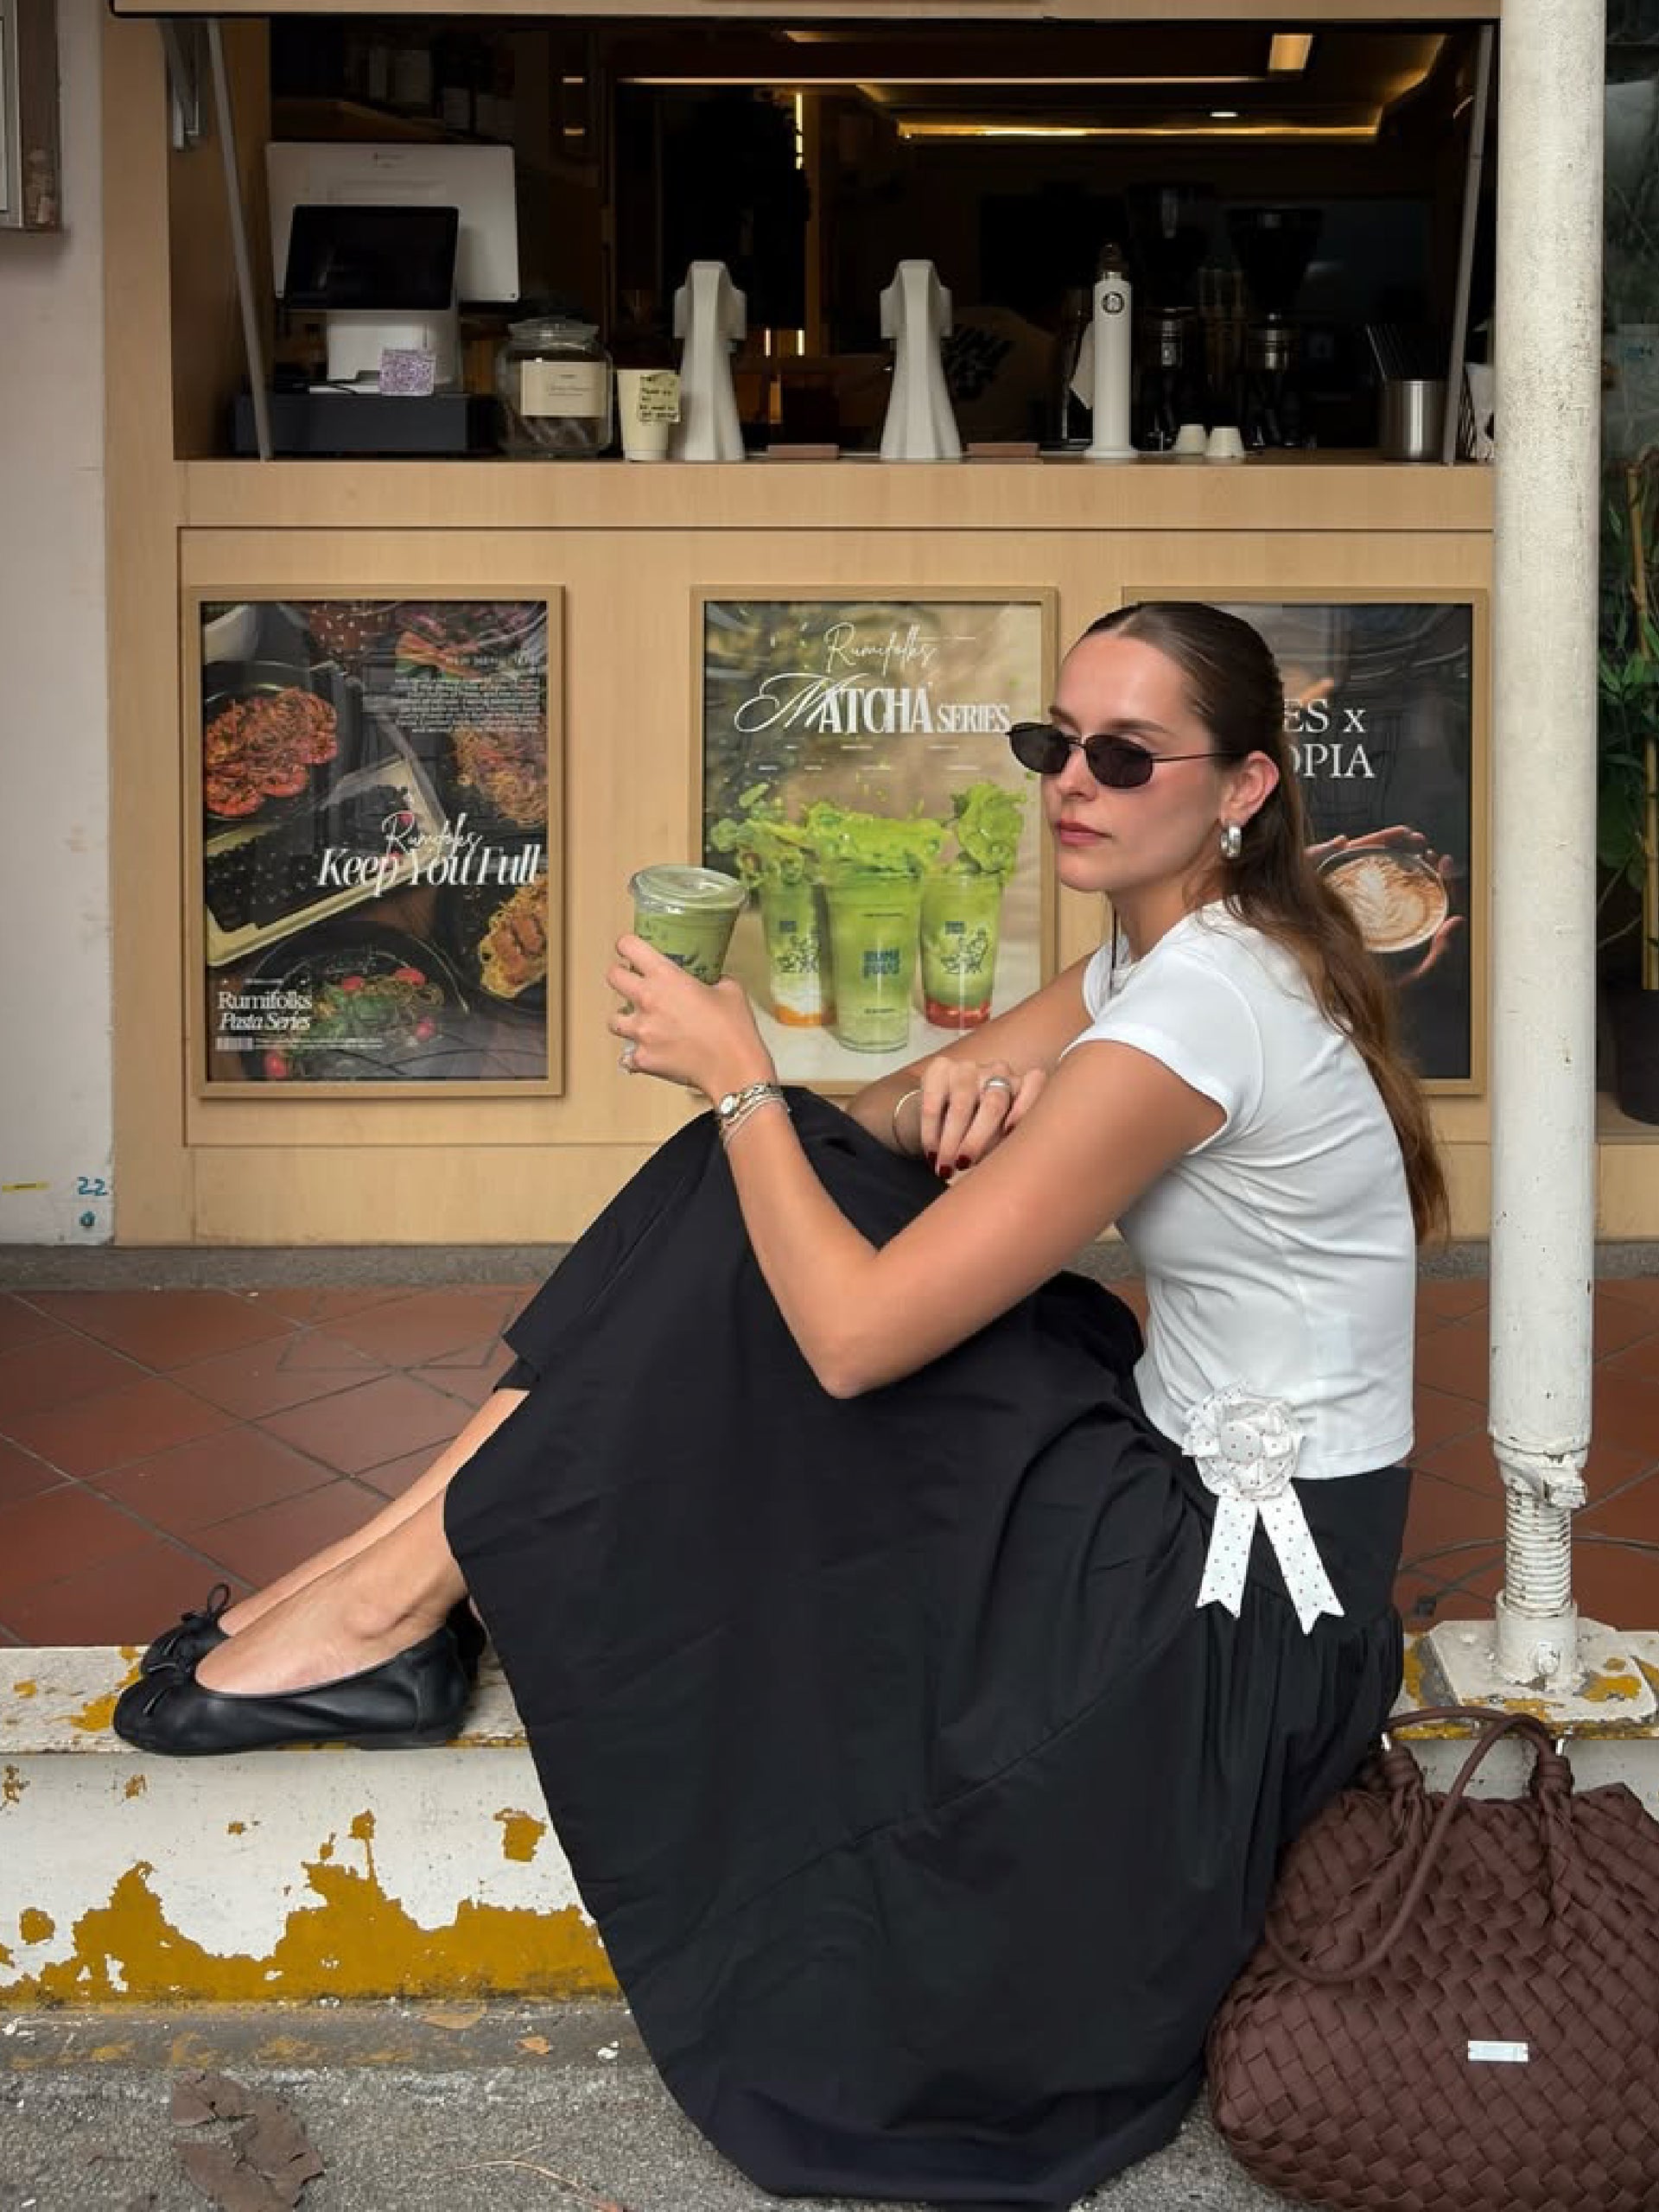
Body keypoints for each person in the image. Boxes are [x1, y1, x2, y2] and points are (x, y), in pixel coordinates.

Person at [118, 602, 1444, 2210]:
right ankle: (380, 1590)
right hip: (1180, 1490)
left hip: (1225, 1618)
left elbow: (856, 1342)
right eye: (1051, 745)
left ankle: (379, 1606)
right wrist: (950, 1089)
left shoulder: (1200, 1008)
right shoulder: (1160, 956)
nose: (1070, 784)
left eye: (1123, 756)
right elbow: (865, 1128)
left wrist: (738, 1069)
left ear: (1241, 787)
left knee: (753, 1191)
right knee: (743, 1181)